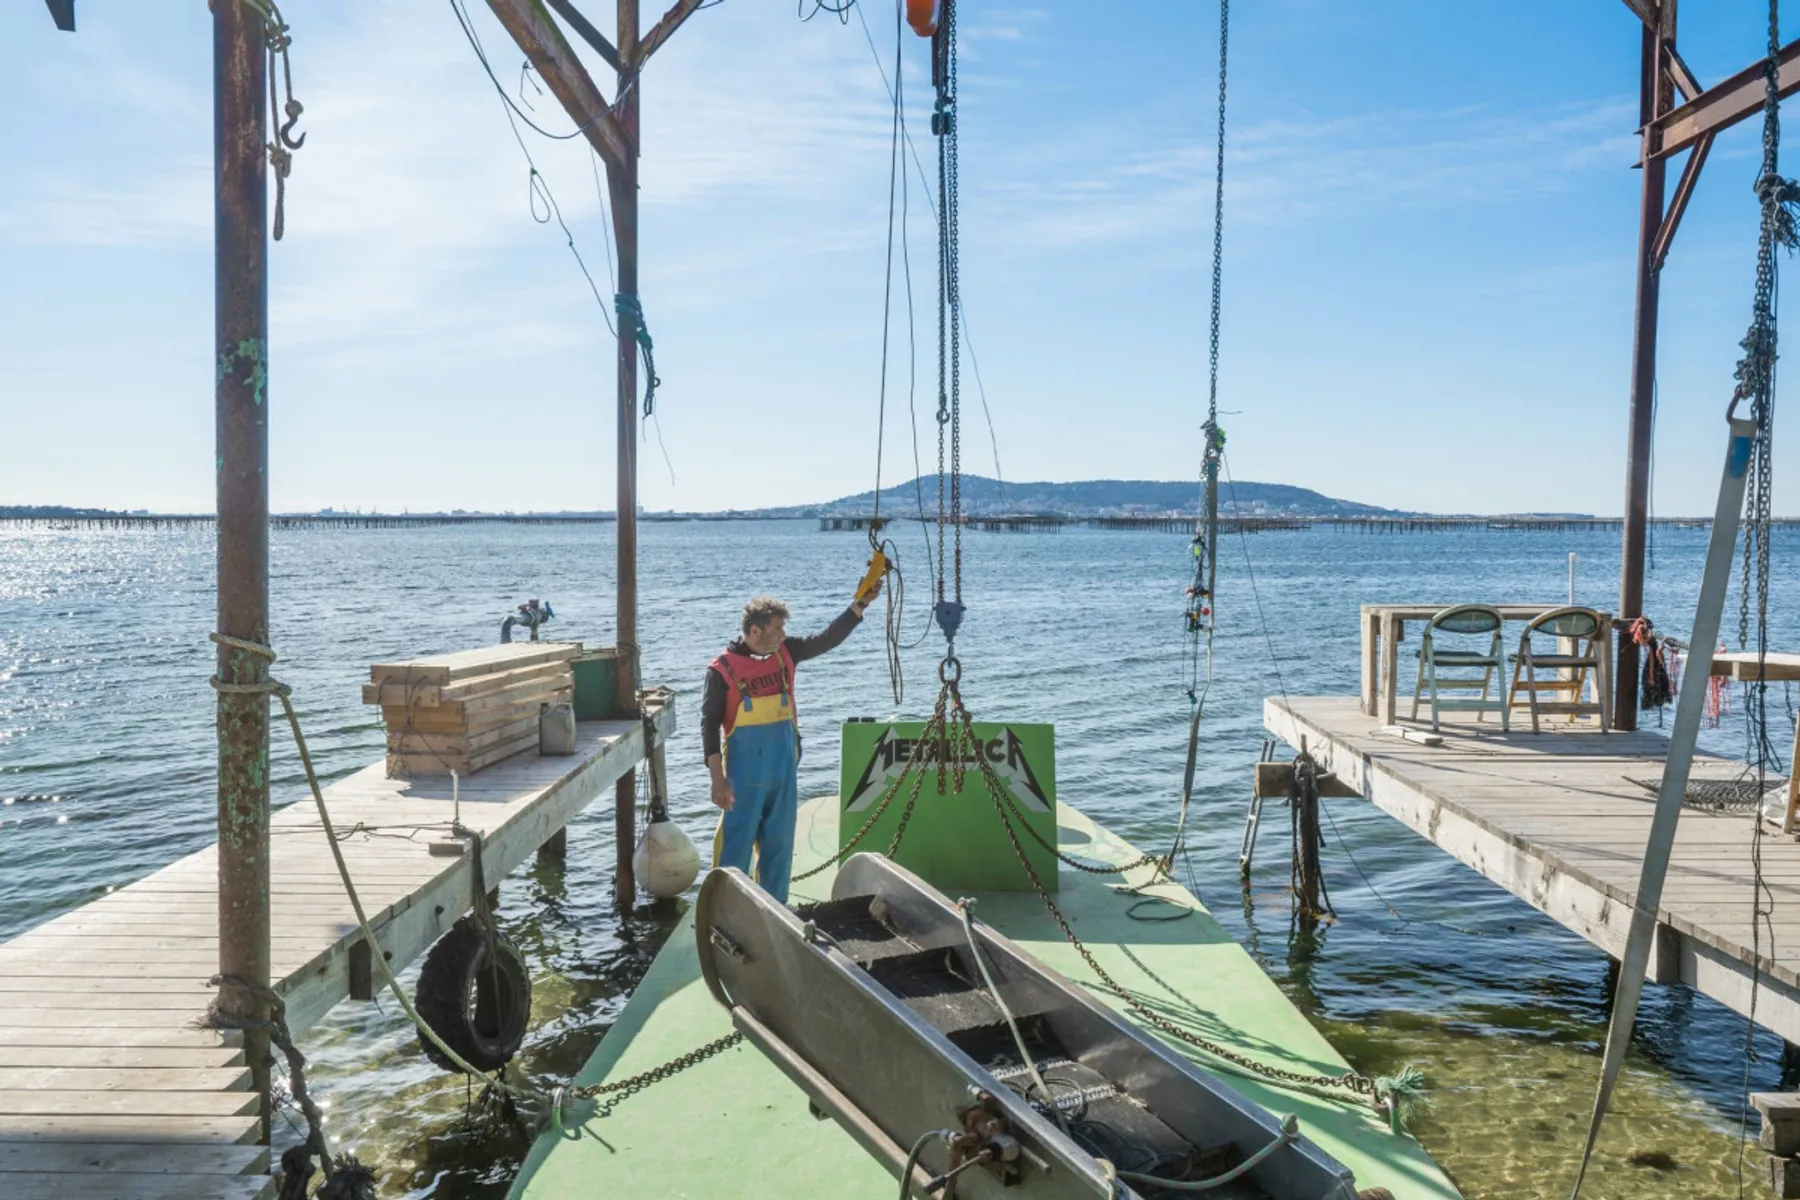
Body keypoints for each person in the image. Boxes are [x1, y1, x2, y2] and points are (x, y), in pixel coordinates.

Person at [702, 585, 879, 904]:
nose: (784, 634)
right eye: (778, 628)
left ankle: (774, 911)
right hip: (743, 780)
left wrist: (860, 605)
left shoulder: (787, 654)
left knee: (780, 846)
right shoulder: (722, 669)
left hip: (783, 773)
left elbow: (828, 638)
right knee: (736, 847)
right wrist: (717, 778)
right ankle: (727, 911)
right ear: (754, 631)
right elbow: (709, 725)